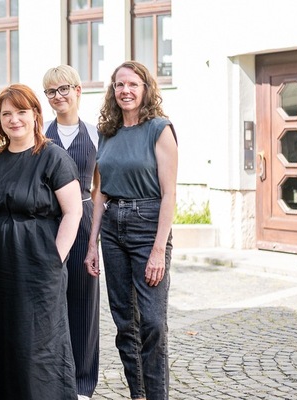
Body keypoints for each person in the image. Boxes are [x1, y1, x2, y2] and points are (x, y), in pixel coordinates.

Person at [0, 84, 83, 399]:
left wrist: (55, 259)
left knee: (36, 342)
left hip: (38, 265)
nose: (14, 119)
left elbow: (73, 212)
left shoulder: (53, 157)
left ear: (35, 114)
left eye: (21, 111)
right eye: (6, 113)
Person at [84, 60, 178, 400]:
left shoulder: (159, 129)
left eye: (133, 84)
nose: (126, 90)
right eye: (120, 85)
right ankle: (138, 394)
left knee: (152, 322)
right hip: (112, 228)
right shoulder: (107, 132)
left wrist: (159, 249)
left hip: (148, 226)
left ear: (145, 89)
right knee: (125, 322)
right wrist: (92, 244)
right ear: (113, 90)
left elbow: (169, 194)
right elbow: (100, 192)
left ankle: (156, 395)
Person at [42, 65, 100, 400]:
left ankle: (82, 384)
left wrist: (94, 240)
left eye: (63, 88)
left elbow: (99, 189)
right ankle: (50, 378)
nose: (58, 96)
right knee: (49, 300)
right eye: (51, 91)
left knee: (83, 301)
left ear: (78, 90)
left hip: (84, 221)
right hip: (47, 222)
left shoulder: (95, 134)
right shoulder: (40, 132)